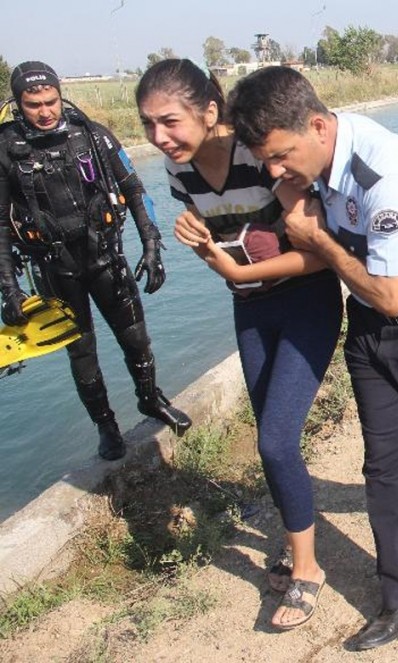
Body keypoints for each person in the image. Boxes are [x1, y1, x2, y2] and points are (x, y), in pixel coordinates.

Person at [227, 66, 398, 651]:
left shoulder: (384, 175)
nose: (274, 173)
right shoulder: (311, 155)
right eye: (264, 160)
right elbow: (372, 297)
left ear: (318, 126)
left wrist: (319, 241)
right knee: (387, 464)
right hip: (372, 330)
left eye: (281, 157)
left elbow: (394, 296)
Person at [136, 59, 343, 631]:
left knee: (276, 442)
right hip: (249, 307)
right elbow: (230, 261)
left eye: (170, 122)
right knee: (270, 435)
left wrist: (234, 267)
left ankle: (307, 569)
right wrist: (206, 249)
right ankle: (296, 536)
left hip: (306, 300)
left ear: (209, 110)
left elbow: (319, 247)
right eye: (149, 125)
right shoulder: (181, 177)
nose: (160, 137)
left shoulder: (260, 154)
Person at [0, 61, 191, 461]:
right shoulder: (6, 151)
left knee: (136, 339)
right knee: (81, 351)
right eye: (33, 104)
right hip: (54, 268)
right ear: (19, 105)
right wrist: (10, 289)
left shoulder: (91, 136)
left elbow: (135, 191)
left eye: (51, 101)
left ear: (60, 95)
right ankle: (106, 426)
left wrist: (152, 245)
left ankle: (149, 399)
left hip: (105, 256)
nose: (45, 111)